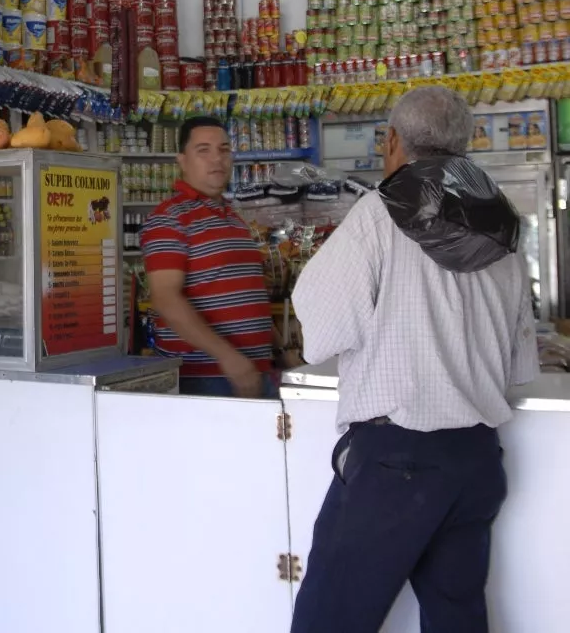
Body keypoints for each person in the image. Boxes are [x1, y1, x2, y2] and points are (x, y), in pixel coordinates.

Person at [290, 86, 538, 633]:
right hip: (475, 461)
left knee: (327, 622)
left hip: (398, 460)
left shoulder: (379, 214)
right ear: (463, 145)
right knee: (457, 621)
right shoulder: (505, 223)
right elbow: (521, 364)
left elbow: (320, 333)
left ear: (393, 141)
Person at [140, 115, 274, 397]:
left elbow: (248, 293)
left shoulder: (235, 218)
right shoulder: (169, 218)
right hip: (206, 378)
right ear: (182, 160)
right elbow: (166, 298)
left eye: (224, 149)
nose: (217, 159)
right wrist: (228, 357)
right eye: (203, 150)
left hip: (255, 372)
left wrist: (281, 352)